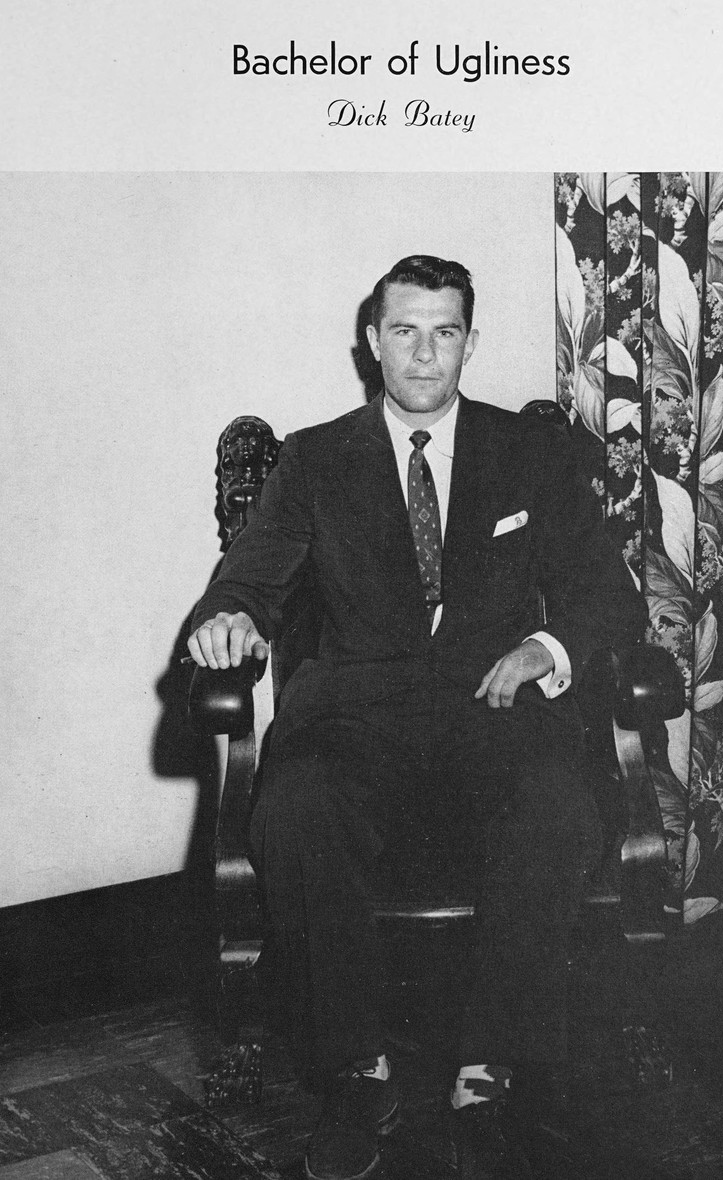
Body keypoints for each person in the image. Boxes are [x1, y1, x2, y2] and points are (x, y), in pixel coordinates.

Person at [188, 255, 646, 1180]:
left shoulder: (529, 451)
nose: (425, 354)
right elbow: (249, 579)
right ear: (373, 341)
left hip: (493, 708)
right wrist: (227, 616)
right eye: (405, 331)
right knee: (297, 805)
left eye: (445, 333)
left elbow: (608, 593)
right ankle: (357, 1073)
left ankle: (489, 1078)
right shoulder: (315, 460)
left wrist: (547, 649)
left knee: (557, 805)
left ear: (471, 341)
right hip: (354, 714)